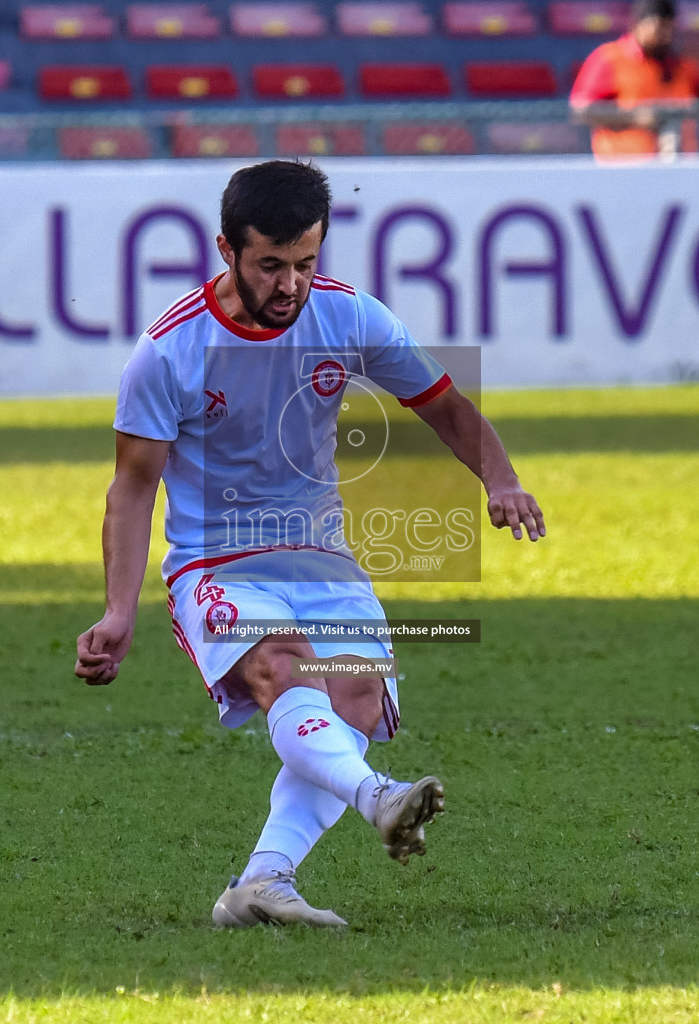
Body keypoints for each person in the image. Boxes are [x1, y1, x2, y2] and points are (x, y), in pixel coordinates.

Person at [73, 161, 545, 928]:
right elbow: (131, 489)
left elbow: (446, 407)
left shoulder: (350, 317)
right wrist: (117, 610)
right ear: (226, 250)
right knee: (282, 666)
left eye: (305, 263)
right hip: (216, 561)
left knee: (353, 701)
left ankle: (261, 882)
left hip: (321, 557)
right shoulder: (168, 351)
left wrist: (501, 481)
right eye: (270, 265)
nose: (290, 283)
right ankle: (379, 797)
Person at [569, 0, 699, 160]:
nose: (664, 36)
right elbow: (581, 110)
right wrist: (637, 117)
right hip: (623, 166)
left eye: (669, 28)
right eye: (658, 28)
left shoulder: (684, 66)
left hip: (678, 166)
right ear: (638, 24)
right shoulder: (610, 58)